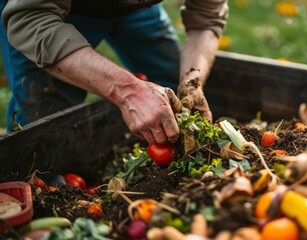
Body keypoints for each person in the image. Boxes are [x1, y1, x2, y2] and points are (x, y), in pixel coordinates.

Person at [0, 0, 228, 144]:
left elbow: (207, 16)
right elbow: (30, 19)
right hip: (42, 12)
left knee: (170, 84)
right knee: (44, 130)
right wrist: (127, 91)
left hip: (136, 9)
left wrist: (192, 82)